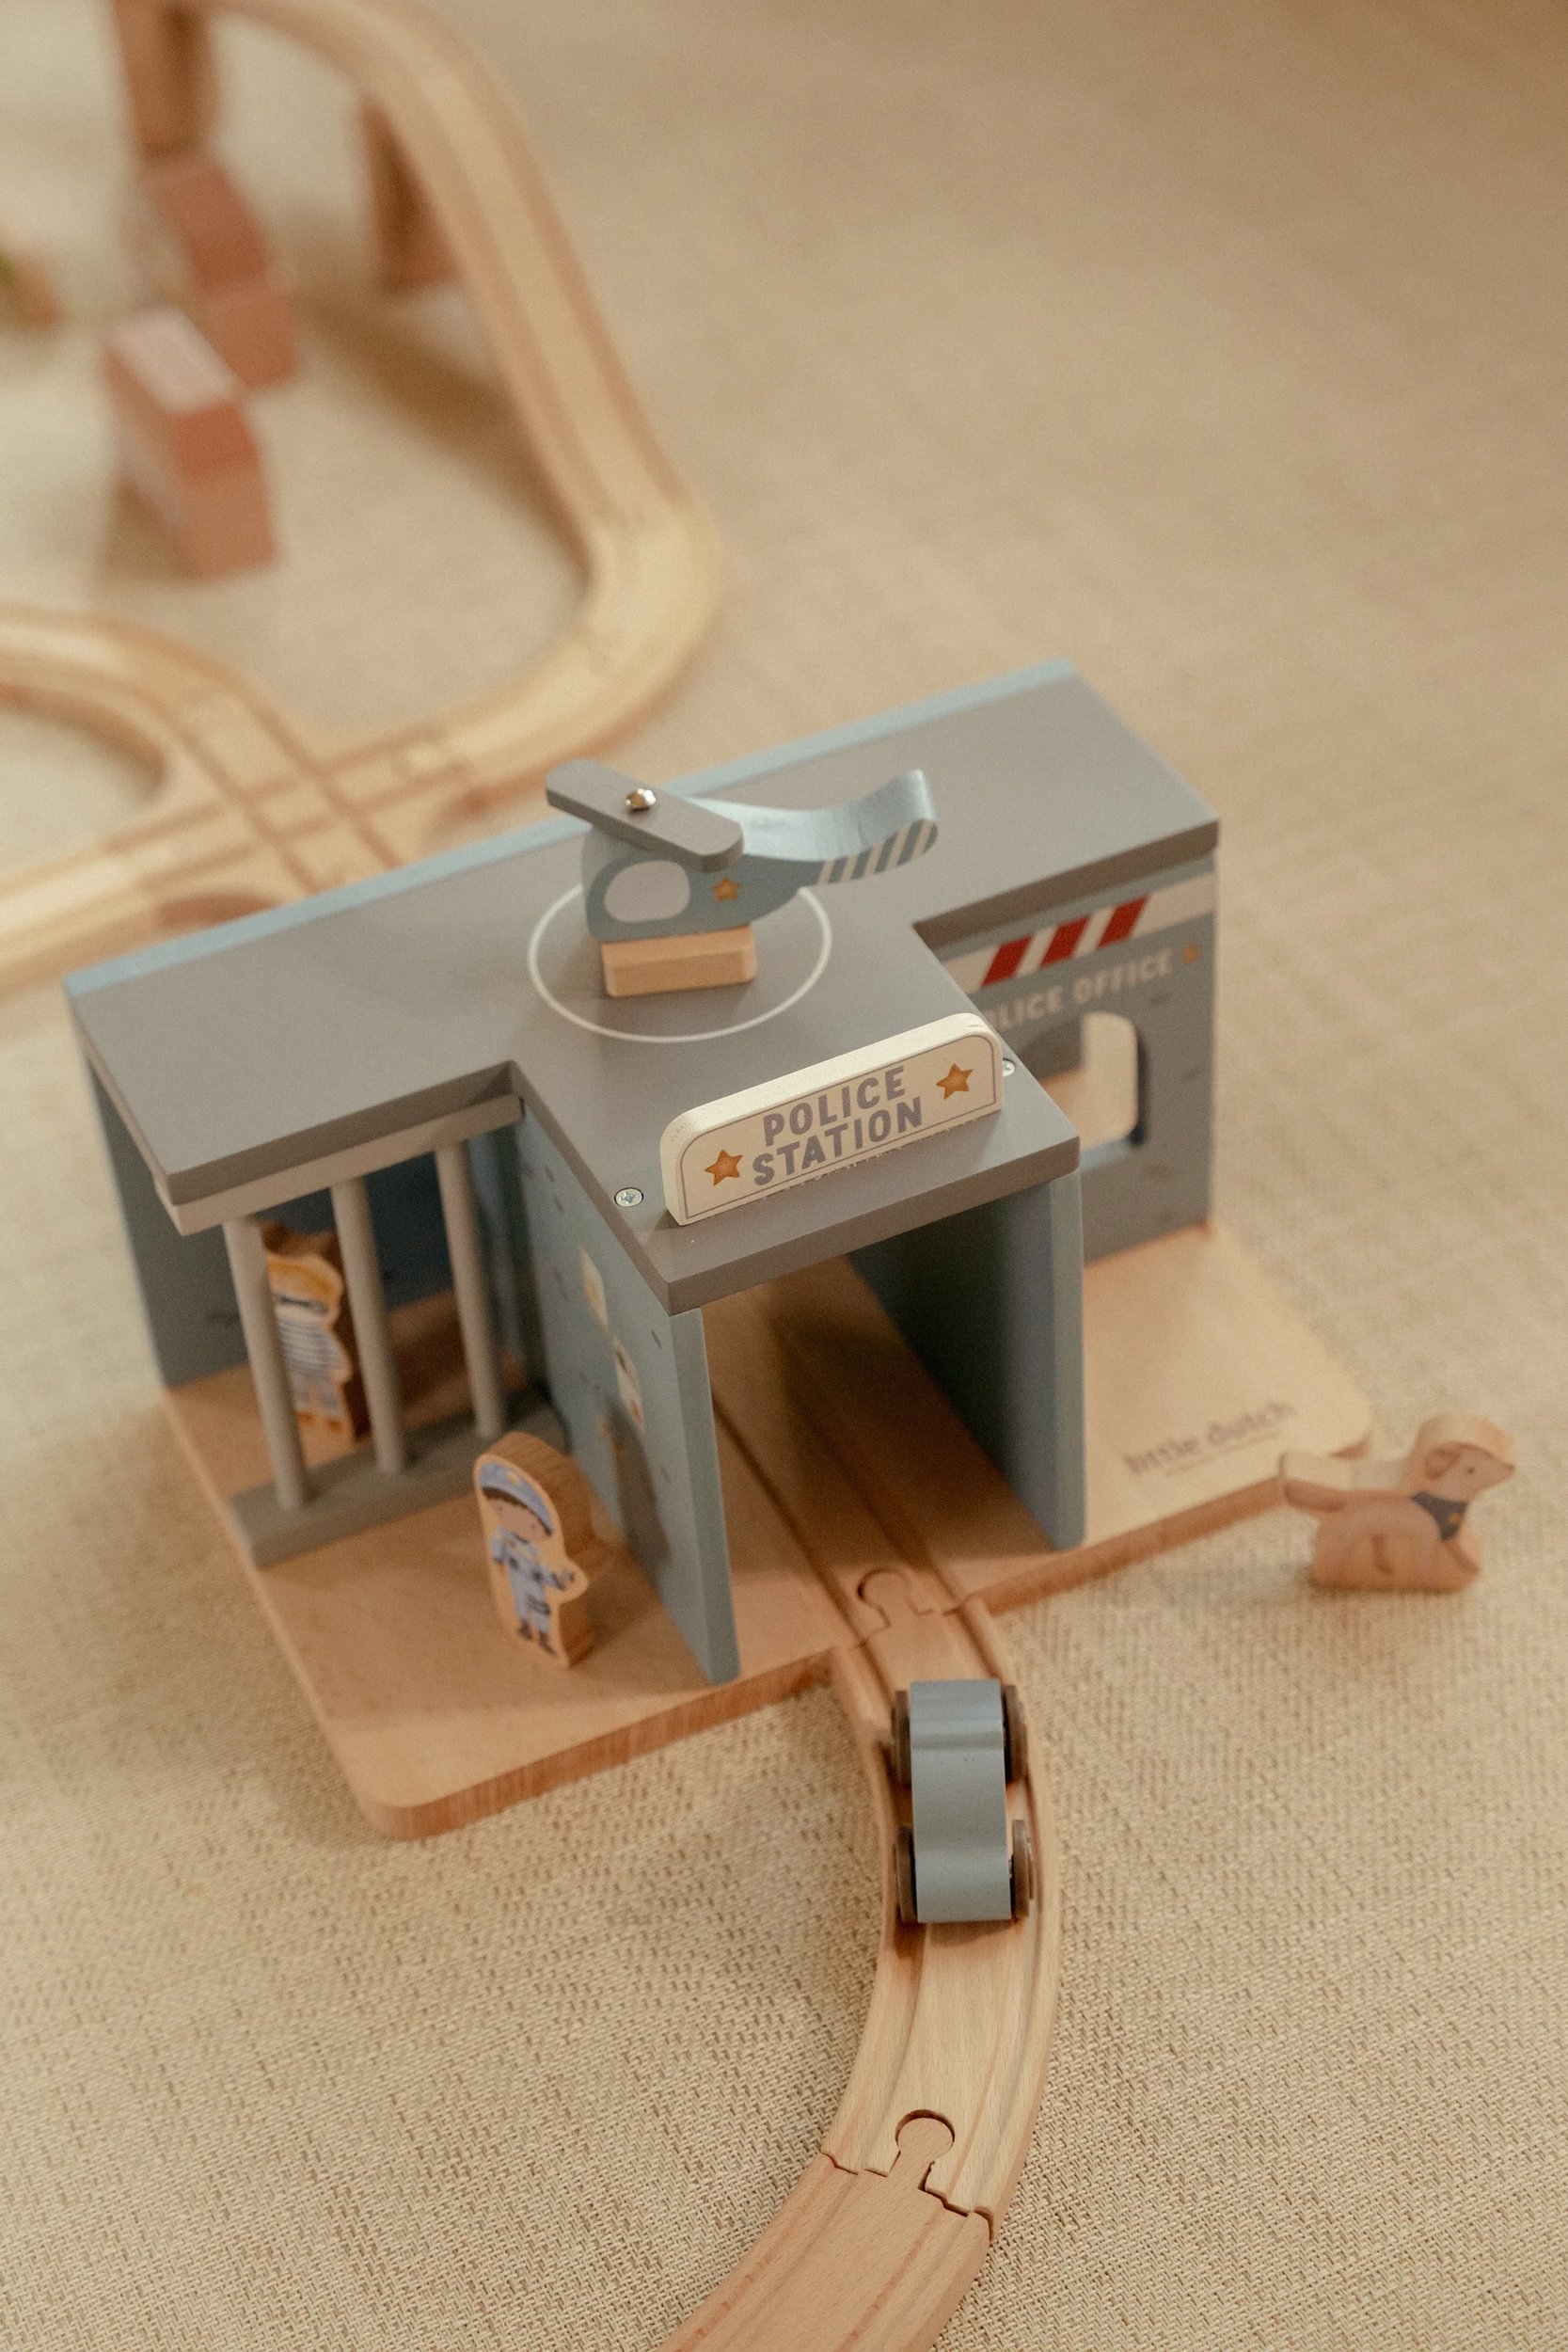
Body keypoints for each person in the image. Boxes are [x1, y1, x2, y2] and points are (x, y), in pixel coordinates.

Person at [477, 1457, 577, 1654]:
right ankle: (524, 1625)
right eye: (502, 1509)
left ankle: (545, 1637)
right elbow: (496, 1544)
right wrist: (497, 1559)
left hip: (535, 1582)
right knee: (520, 1602)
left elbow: (544, 1570)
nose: (521, 1525)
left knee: (541, 1609)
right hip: (517, 1576)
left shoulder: (536, 1551)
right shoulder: (504, 1536)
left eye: (533, 1526)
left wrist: (559, 1580)